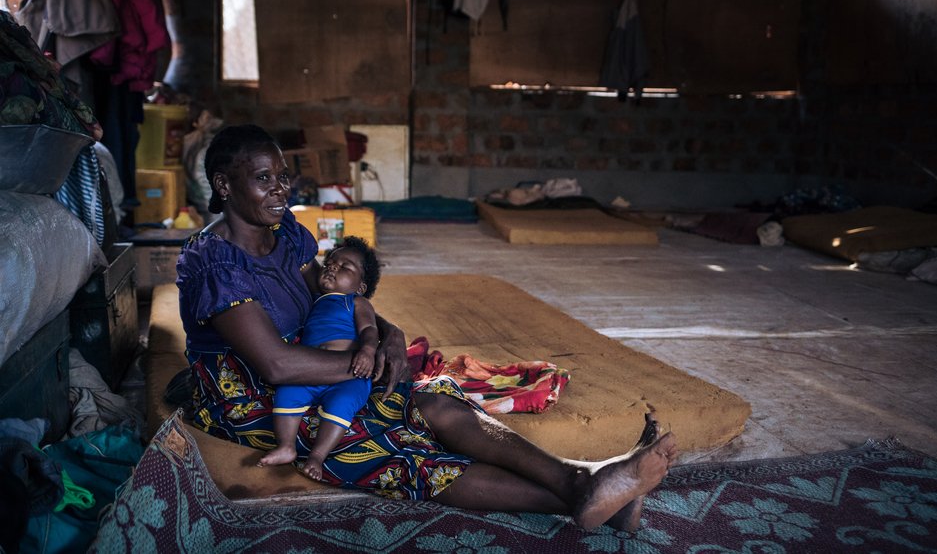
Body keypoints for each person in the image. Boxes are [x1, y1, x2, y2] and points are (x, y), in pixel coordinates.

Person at [176, 124, 678, 531]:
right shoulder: (215, 264)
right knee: (392, 450)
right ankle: (588, 494)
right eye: (264, 179)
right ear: (224, 185)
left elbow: (331, 297)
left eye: (284, 176)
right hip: (250, 391)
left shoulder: (285, 233)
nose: (281, 189)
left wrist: (386, 332)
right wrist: (365, 365)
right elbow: (274, 363)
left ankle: (584, 481)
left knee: (435, 402)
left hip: (322, 359)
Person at [258, 236, 382, 479]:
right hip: (312, 370)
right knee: (287, 392)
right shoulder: (312, 300)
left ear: (361, 287)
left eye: (345, 267)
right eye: (330, 263)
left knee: (342, 403)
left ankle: (317, 456)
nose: (333, 266)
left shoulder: (355, 302)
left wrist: (368, 351)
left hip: (349, 374)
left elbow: (370, 330)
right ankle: (286, 446)